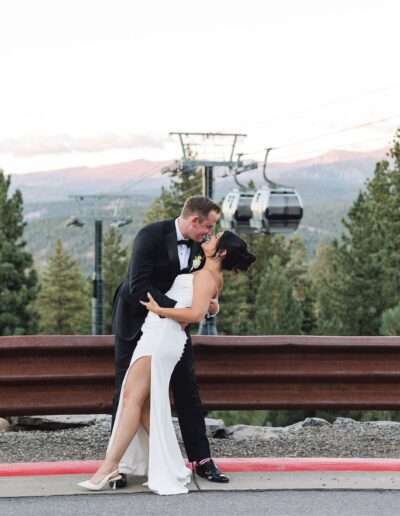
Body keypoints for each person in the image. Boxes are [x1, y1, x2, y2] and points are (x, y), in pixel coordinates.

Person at [78, 229, 256, 495]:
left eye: (216, 236)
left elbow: (195, 314)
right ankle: (169, 463)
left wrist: (160, 310)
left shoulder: (207, 275)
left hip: (162, 336)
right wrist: (208, 306)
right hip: (158, 334)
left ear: (222, 252)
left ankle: (110, 466)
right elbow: (210, 306)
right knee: (143, 404)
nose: (210, 236)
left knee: (131, 399)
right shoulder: (209, 274)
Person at [112, 197, 224, 486]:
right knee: (127, 389)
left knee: (187, 387)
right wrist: (179, 311)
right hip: (136, 320)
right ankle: (119, 466)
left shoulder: (203, 247)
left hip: (174, 325)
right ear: (194, 220)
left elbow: (207, 282)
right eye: (208, 227)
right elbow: (138, 285)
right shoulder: (150, 235)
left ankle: (202, 459)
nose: (210, 233)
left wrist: (212, 304)